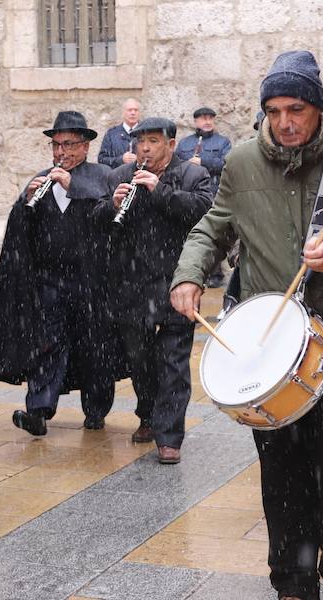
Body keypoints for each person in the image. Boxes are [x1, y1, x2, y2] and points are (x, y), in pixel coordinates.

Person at [171, 51, 323, 600]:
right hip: (269, 352)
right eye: (273, 110)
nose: (284, 122)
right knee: (282, 475)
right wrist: (188, 274)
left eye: (295, 108)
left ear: (317, 107)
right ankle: (293, 582)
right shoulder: (244, 161)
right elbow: (214, 226)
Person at [0, 111, 120, 436]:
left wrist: (75, 188)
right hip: (50, 282)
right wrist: (24, 203)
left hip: (91, 283)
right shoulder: (41, 179)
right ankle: (38, 411)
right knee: (47, 345)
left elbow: (109, 216)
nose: (61, 152)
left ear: (85, 147)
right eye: (56, 145)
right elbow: (20, 227)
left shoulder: (102, 176)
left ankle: (96, 410)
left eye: (69, 145)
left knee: (93, 348)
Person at [94, 117, 211, 464]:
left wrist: (159, 190)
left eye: (153, 141)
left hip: (176, 282)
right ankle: (147, 414)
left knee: (174, 360)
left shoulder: (193, 175)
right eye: (140, 141)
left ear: (171, 145)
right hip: (131, 283)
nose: (144, 148)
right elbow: (97, 222)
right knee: (140, 359)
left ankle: (169, 434)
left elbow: (202, 213)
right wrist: (112, 206)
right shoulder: (119, 176)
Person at [175, 107, 233, 288]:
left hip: (214, 194)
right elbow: (175, 164)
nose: (207, 121)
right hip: (190, 195)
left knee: (213, 233)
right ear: (196, 122)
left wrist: (203, 162)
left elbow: (227, 163)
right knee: (191, 233)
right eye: (203, 119)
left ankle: (214, 274)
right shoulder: (184, 143)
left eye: (210, 118)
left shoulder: (223, 142)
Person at [98, 97, 141, 168]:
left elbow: (153, 158)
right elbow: (101, 159)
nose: (133, 113)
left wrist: (139, 160)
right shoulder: (111, 134)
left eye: (136, 110)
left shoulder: (145, 133)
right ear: (123, 113)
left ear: (139, 113)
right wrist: (121, 160)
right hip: (117, 177)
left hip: (140, 177)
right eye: (129, 110)